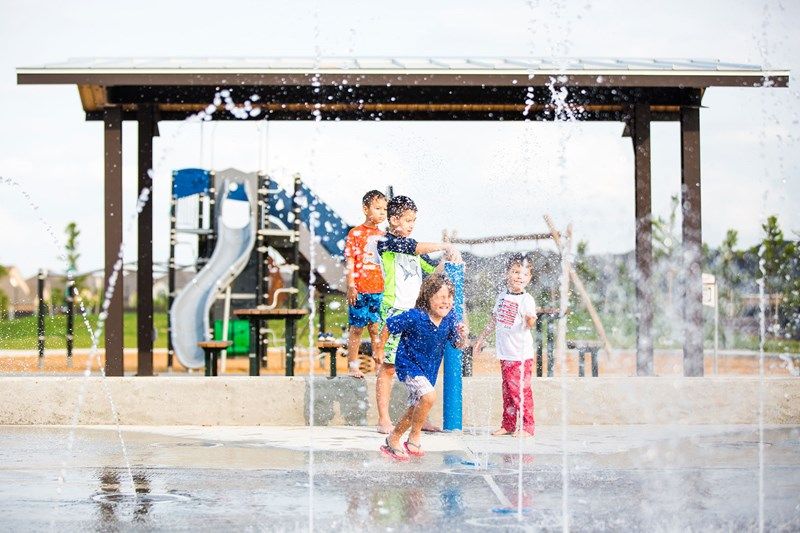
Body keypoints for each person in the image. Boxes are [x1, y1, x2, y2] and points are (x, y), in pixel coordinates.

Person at [372, 195, 459, 433]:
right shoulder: (386, 243)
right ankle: (383, 418)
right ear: (393, 220)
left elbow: (434, 272)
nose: (412, 225)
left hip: (416, 314)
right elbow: (412, 247)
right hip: (394, 309)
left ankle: (420, 417)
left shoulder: (415, 251)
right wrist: (445, 246)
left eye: (414, 221)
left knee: (422, 365)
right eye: (408, 220)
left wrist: (447, 258)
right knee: (389, 366)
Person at [379, 274, 469, 460]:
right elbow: (388, 325)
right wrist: (379, 349)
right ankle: (414, 437)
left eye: (449, 297)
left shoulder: (449, 318)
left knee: (416, 407)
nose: (446, 302)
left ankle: (393, 438)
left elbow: (457, 344)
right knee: (428, 396)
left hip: (428, 370)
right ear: (428, 297)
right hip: (409, 365)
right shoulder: (415, 316)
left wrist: (463, 335)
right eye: (441, 297)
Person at [474, 253, 537, 437]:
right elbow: (494, 320)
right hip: (506, 353)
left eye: (524, 274)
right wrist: (481, 338)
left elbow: (530, 323)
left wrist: (529, 319)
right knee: (508, 391)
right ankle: (508, 424)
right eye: (516, 272)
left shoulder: (527, 299)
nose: (520, 277)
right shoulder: (502, 296)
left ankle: (527, 426)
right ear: (506, 273)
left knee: (520, 391)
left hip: (520, 355)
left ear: (529, 278)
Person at [343, 190, 388, 378]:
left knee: (376, 329)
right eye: (377, 208)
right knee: (356, 329)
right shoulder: (355, 233)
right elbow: (350, 261)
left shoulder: (385, 235)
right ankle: (353, 365)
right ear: (365, 209)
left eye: (384, 209)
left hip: (379, 290)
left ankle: (379, 366)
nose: (382, 213)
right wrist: (351, 285)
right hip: (360, 289)